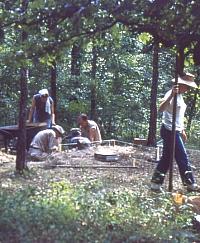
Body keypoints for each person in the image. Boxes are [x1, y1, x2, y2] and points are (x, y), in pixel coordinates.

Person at [151, 73, 200, 192]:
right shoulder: (171, 94)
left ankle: (155, 184)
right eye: (187, 86)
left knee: (166, 158)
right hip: (169, 130)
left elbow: (178, 115)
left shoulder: (180, 96)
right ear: (181, 84)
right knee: (182, 156)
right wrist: (171, 95)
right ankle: (190, 184)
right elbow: (161, 108)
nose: (188, 89)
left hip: (176, 130)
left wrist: (182, 129)